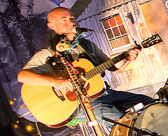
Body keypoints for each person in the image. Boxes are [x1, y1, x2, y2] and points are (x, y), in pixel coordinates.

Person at [17, 7, 154, 126]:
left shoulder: (87, 45)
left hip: (105, 93)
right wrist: (56, 82)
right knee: (125, 123)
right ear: (52, 26)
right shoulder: (49, 52)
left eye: (71, 18)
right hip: (80, 104)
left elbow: (114, 67)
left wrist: (127, 58)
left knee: (149, 104)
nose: (71, 22)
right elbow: (22, 76)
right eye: (64, 20)